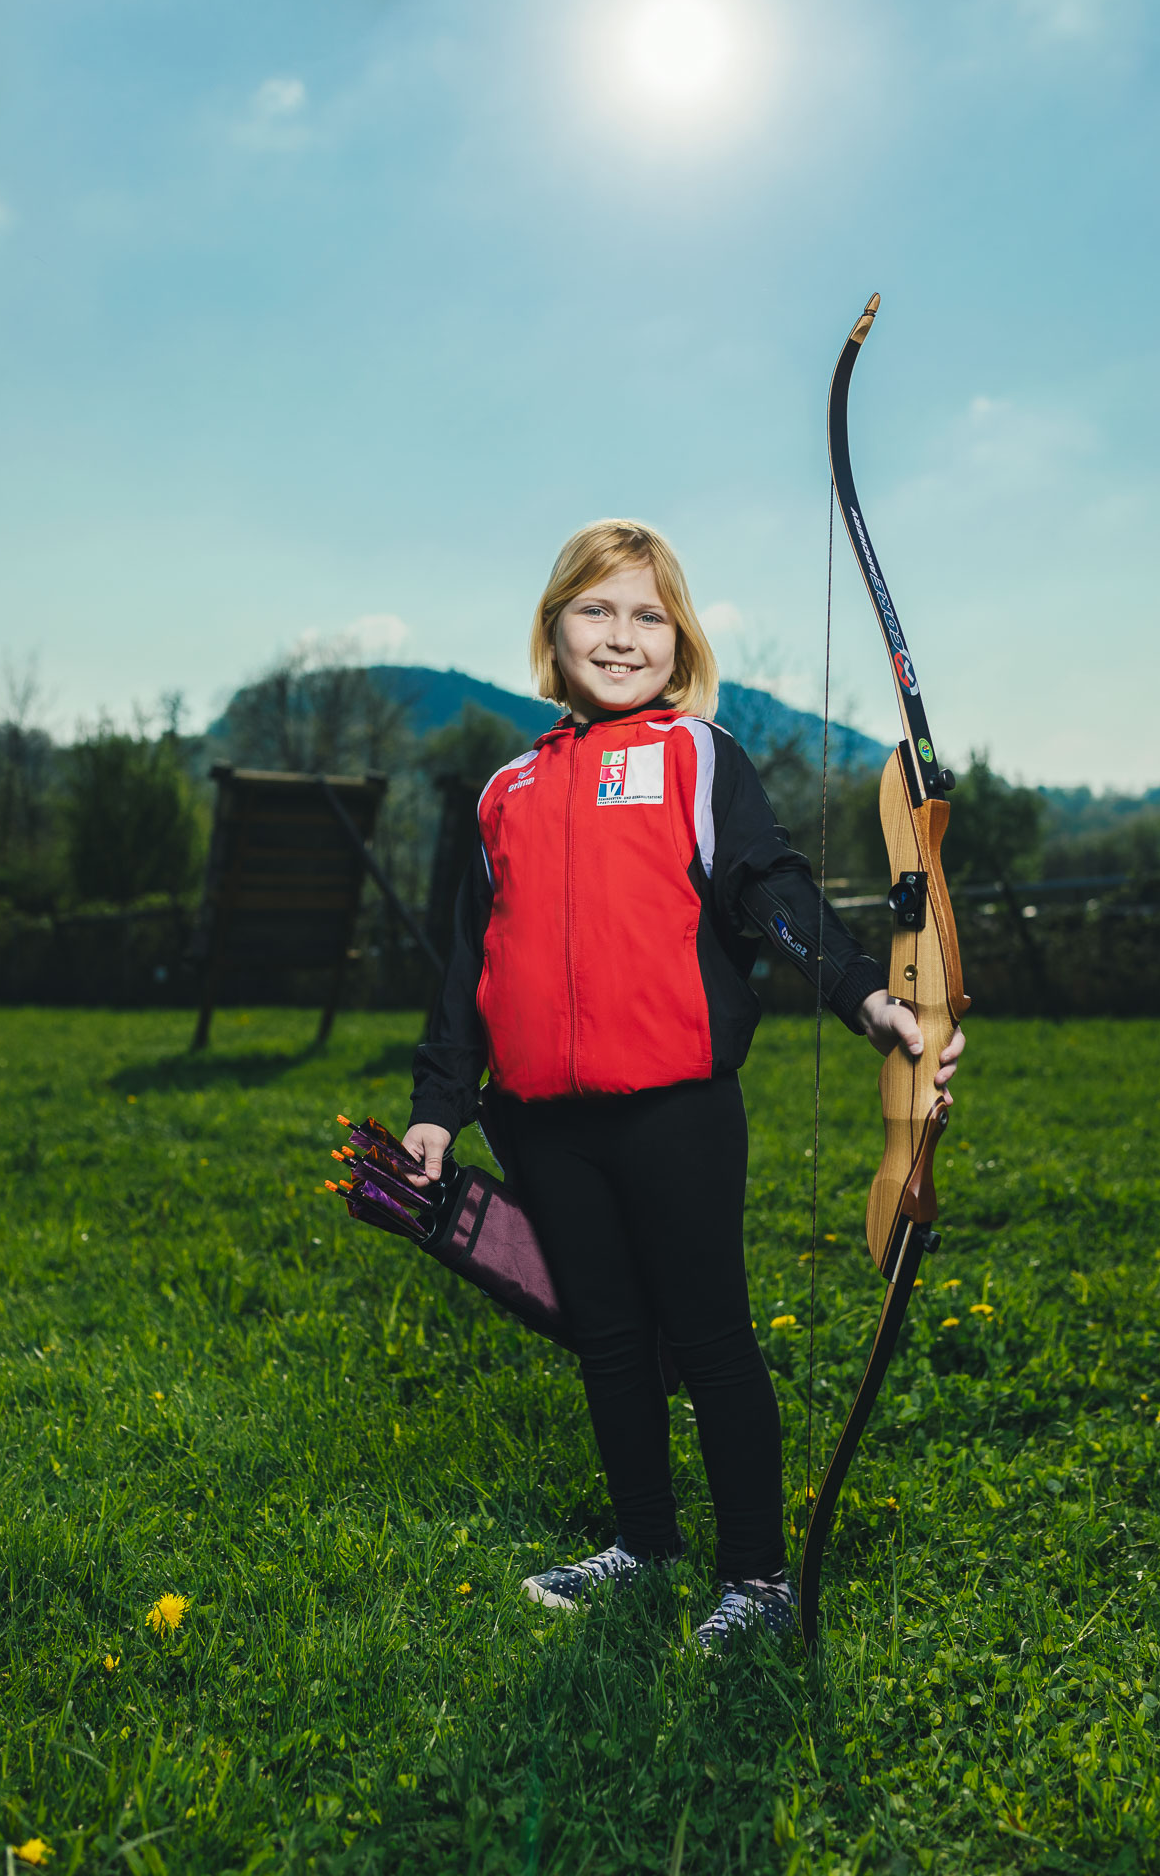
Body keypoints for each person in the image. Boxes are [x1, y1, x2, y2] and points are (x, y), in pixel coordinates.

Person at [401, 519, 964, 1651]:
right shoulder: (503, 789)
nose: (620, 635)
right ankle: (643, 1542)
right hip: (539, 1117)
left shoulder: (697, 756)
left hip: (673, 1107)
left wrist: (865, 991)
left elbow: (769, 889)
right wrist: (437, 1102)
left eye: (647, 613)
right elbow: (471, 960)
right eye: (595, 610)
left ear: (680, 637)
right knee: (608, 1334)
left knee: (708, 1337)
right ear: (553, 629)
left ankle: (754, 1576)